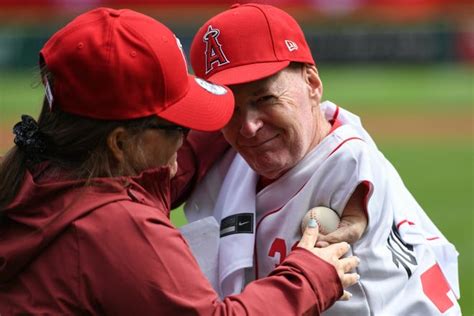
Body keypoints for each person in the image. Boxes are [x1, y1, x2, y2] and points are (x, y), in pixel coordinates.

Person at [0, 7, 361, 315]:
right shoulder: (114, 226)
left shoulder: (36, 174)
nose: (187, 133)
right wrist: (312, 275)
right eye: (178, 124)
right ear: (120, 143)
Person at [185, 3, 461, 315]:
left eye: (265, 98)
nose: (248, 126)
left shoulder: (349, 168)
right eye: (230, 108)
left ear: (312, 84)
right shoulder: (237, 156)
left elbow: (353, 165)